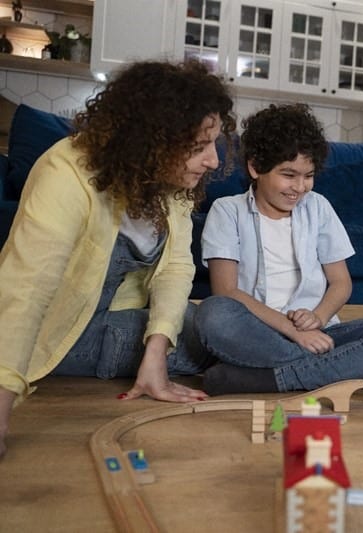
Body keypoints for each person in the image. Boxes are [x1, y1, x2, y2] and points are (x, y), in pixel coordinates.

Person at [0, 60, 237, 459]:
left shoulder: (169, 182)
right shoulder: (66, 172)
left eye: (213, 144)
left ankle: (287, 365)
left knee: (216, 319)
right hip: (60, 332)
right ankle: (294, 368)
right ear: (151, 143)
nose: (213, 161)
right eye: (199, 147)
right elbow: (27, 289)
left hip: (122, 316)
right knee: (217, 333)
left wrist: (156, 356)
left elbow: (177, 267)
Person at [196, 103, 363, 394]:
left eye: (309, 175)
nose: (300, 187)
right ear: (255, 167)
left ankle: (268, 378)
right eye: (289, 175)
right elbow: (227, 291)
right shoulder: (227, 211)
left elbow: (341, 283)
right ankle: (345, 370)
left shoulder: (318, 207)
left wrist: (319, 317)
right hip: (256, 334)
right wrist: (293, 331)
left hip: (320, 334)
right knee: (213, 314)